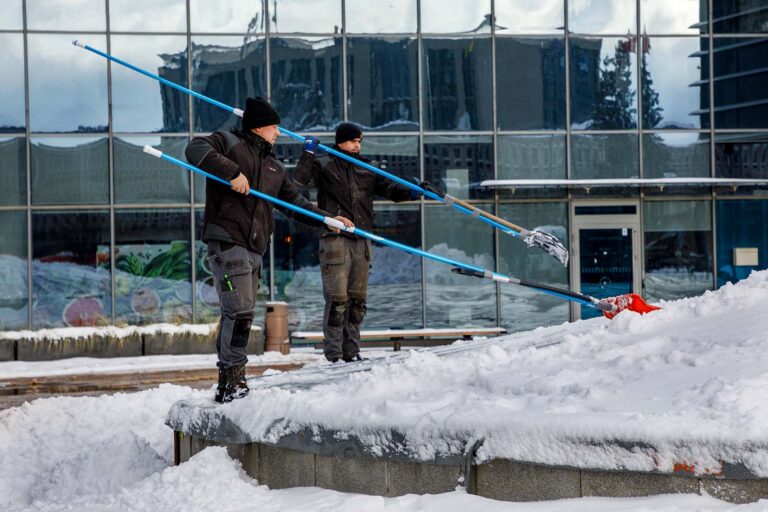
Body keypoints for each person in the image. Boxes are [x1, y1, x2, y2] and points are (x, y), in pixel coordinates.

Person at [185, 97, 353, 403]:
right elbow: (195, 149)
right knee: (239, 310)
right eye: (274, 127)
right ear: (260, 126)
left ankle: (230, 378)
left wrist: (328, 220)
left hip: (255, 246)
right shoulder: (229, 142)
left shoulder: (273, 167)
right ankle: (233, 378)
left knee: (242, 311)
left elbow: (294, 203)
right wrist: (231, 173)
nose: (278, 133)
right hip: (228, 239)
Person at [294, 122, 427, 363]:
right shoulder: (324, 164)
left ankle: (352, 351)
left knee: (357, 301)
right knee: (337, 300)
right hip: (336, 239)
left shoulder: (367, 168)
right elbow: (299, 182)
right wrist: (308, 154)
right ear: (341, 141)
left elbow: (390, 189)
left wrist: (411, 191)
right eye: (354, 140)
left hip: (362, 240)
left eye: (360, 141)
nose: (357, 145)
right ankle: (333, 354)